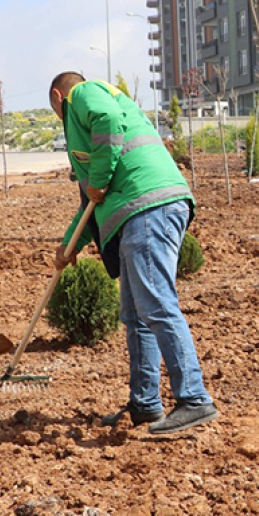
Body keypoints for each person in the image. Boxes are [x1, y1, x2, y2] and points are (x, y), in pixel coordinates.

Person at [49, 72, 219, 434]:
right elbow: (91, 202)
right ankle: (145, 404)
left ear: (56, 97)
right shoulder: (92, 141)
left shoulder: (83, 93)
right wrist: (69, 245)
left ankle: (194, 398)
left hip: (147, 207)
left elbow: (106, 130)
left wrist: (97, 179)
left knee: (156, 304)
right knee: (137, 315)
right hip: (138, 210)